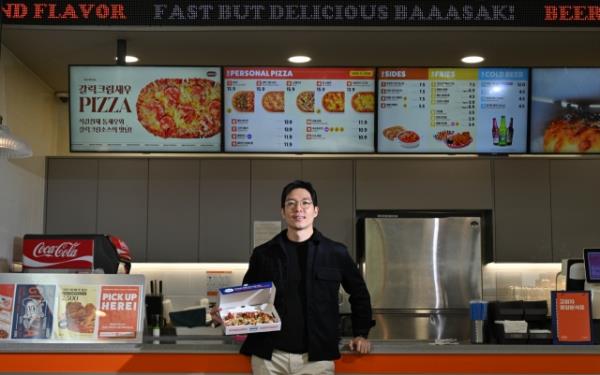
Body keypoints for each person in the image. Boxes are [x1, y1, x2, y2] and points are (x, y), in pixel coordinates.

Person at [212, 180, 374, 375]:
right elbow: (249, 303)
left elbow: (360, 294)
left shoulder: (335, 253)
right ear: (283, 211)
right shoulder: (263, 254)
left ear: (315, 210)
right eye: (291, 203)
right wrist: (229, 314)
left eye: (305, 203)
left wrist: (361, 334)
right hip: (269, 359)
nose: (298, 209)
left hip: (317, 360)